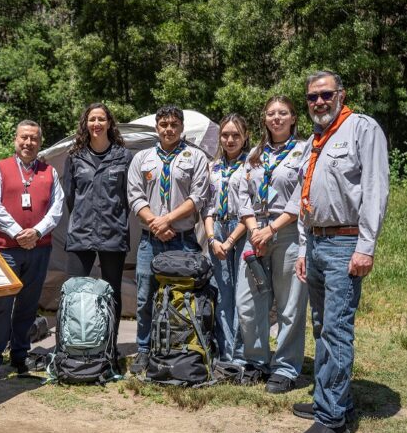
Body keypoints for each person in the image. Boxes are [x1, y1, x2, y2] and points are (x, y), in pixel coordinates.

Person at [292, 71, 389, 433]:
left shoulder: (362, 129)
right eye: (312, 97)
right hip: (316, 245)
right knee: (321, 326)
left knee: (335, 330)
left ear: (340, 95)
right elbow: (305, 199)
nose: (318, 102)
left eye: (325, 94)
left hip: (345, 245)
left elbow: (375, 189)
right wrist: (303, 248)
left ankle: (331, 421)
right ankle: (333, 401)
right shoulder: (312, 140)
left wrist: (366, 246)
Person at [127, 105, 209, 374]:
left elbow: (198, 197)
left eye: (174, 124)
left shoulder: (195, 157)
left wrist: (167, 220)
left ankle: (180, 347)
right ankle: (143, 349)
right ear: (157, 127)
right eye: (164, 124)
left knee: (183, 296)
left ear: (182, 127)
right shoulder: (142, 158)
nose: (169, 129)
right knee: (145, 296)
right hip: (150, 240)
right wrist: (155, 222)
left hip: (182, 239)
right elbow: (135, 196)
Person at [235, 96, 308, 393]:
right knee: (248, 302)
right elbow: (241, 192)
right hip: (255, 232)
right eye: (271, 114)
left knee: (290, 304)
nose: (276, 118)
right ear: (264, 119)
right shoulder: (254, 153)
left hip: (287, 232)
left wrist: (272, 229)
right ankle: (256, 361)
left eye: (283, 113)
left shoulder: (303, 152)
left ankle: (286, 368)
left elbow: (303, 195)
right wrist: (255, 230)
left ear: (292, 118)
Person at [0, 120, 64, 381]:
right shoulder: (0, 169)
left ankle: (20, 355)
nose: (28, 143)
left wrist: (36, 232)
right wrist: (18, 232)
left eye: (34, 139)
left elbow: (57, 207)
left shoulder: (49, 172)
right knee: (1, 306)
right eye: (24, 138)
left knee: (28, 306)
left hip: (39, 249)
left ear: (40, 142)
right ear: (15, 140)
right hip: (7, 248)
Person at [62, 103, 133, 360]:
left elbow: (127, 197)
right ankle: (71, 347)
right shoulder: (74, 156)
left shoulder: (124, 157)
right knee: (74, 292)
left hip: (113, 235)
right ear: (86, 123)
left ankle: (109, 347)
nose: (96, 124)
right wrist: (85, 217)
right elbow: (70, 197)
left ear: (109, 123)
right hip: (81, 234)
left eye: (101, 119)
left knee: (111, 292)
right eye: (92, 119)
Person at [203, 113, 249, 363]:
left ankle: (241, 356)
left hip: (241, 229)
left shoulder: (251, 165)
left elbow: (251, 206)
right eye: (225, 135)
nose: (230, 140)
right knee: (222, 293)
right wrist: (212, 239)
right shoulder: (213, 167)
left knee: (243, 295)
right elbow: (207, 207)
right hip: (216, 230)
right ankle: (224, 353)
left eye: (235, 135)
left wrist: (230, 241)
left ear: (244, 137)